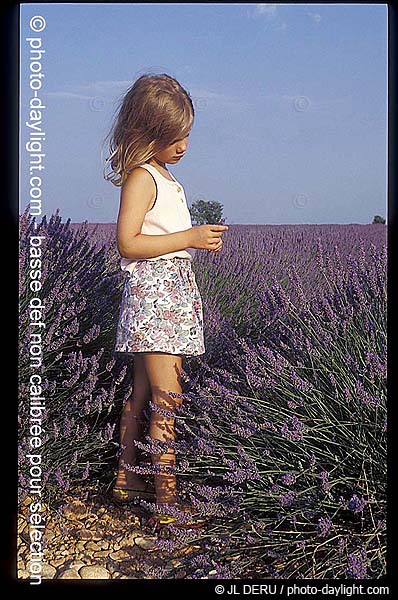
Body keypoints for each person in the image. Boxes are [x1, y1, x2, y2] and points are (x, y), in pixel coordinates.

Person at [103, 73, 228, 527]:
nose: (183, 145)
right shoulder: (142, 177)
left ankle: (127, 480)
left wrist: (193, 242)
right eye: (173, 136)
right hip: (157, 298)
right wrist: (190, 237)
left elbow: (153, 237)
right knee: (166, 398)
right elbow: (128, 243)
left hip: (166, 295)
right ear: (144, 133)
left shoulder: (163, 176)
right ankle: (167, 501)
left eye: (187, 135)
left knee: (143, 394)